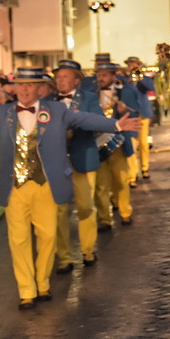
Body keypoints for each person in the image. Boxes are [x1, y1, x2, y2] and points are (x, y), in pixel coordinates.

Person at [0, 68, 137, 309]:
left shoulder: (57, 110)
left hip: (45, 184)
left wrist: (116, 124)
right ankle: (26, 291)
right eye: (20, 84)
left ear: (41, 89)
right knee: (18, 240)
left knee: (48, 236)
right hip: (14, 187)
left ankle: (42, 282)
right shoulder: (2, 113)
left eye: (30, 85)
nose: (24, 89)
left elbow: (84, 119)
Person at [51, 60, 105, 271]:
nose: (60, 80)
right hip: (57, 162)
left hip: (81, 157)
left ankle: (88, 250)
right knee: (59, 210)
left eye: (64, 76)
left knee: (85, 206)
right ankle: (64, 258)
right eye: (58, 77)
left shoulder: (88, 98)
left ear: (76, 80)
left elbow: (99, 122)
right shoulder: (48, 101)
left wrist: (77, 127)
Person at [92, 58, 140, 227]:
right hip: (97, 144)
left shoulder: (124, 91)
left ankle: (125, 212)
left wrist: (122, 111)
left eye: (105, 75)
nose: (101, 78)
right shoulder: (91, 94)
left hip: (117, 143)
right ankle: (105, 218)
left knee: (121, 180)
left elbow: (134, 113)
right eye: (99, 75)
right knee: (101, 185)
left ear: (113, 76)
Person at [125, 56, 157, 183]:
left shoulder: (145, 78)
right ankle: (132, 174)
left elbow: (151, 87)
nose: (132, 66)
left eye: (135, 64)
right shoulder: (125, 80)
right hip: (131, 115)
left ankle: (145, 168)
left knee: (144, 144)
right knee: (132, 145)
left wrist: (141, 76)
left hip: (143, 114)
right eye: (130, 64)